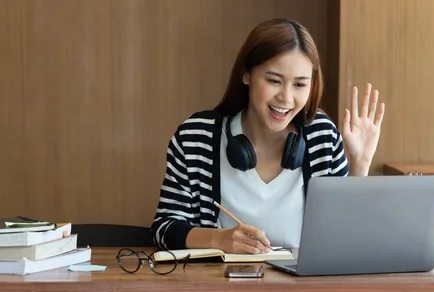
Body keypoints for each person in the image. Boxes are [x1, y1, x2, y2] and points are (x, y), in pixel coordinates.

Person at [150, 18, 385, 255]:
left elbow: (347, 235)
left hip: (303, 290)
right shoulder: (196, 136)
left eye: (300, 85)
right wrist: (219, 239)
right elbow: (164, 229)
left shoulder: (321, 136)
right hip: (219, 287)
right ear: (246, 74)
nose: (286, 97)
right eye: (274, 81)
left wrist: (360, 164)